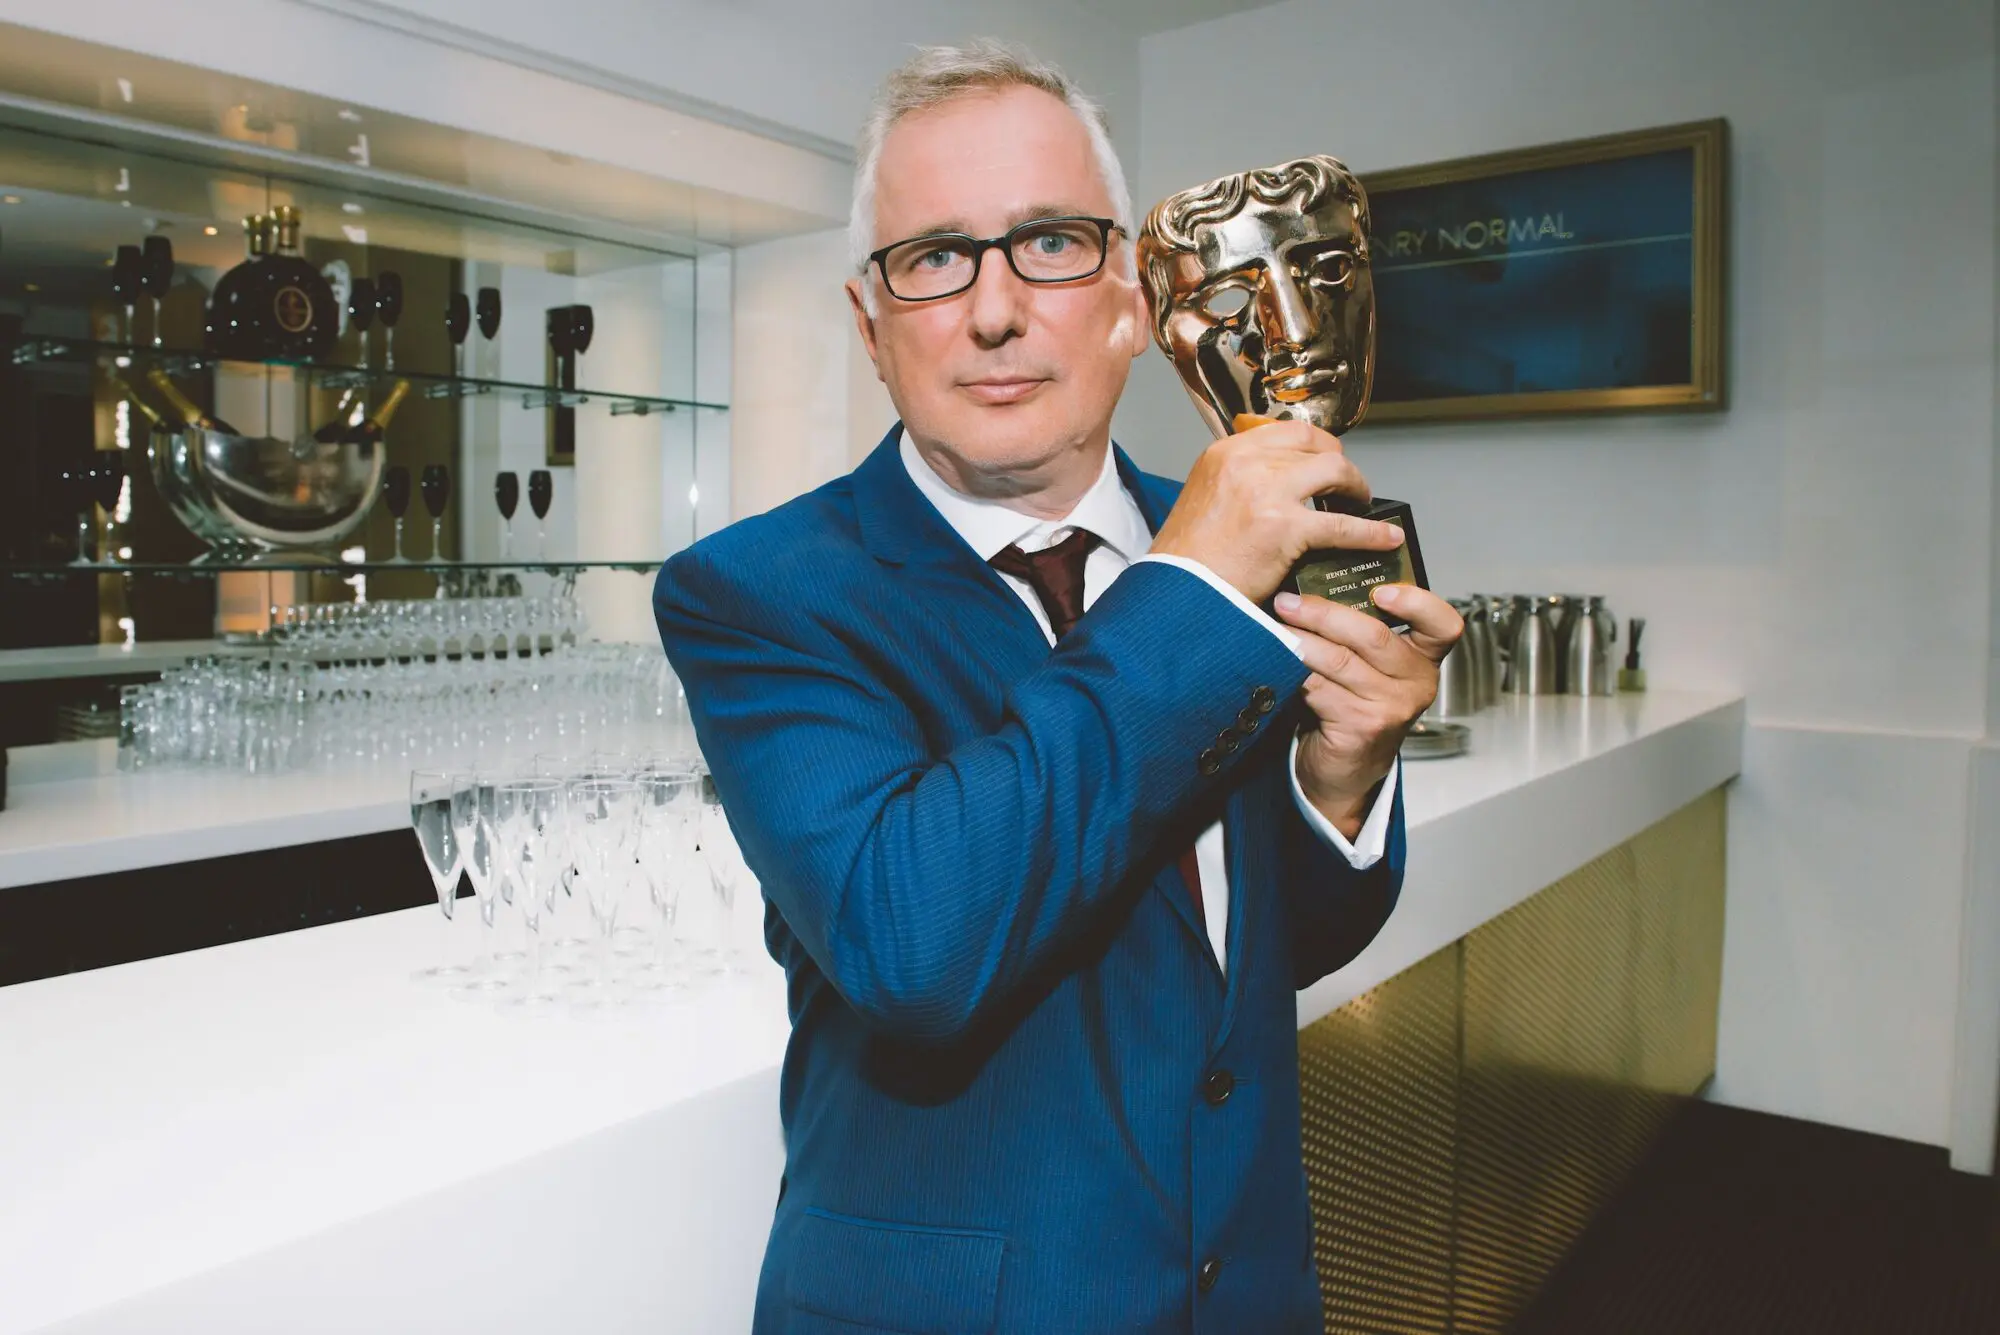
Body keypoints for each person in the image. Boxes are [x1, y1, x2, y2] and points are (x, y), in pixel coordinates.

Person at [654, 39, 1462, 1335]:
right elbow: (917, 944)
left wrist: (1341, 781)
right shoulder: (758, 593)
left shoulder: (1244, 553)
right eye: (933, 258)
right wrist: (1192, 587)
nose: (993, 308)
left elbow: (1249, 961)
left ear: (1134, 300)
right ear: (872, 326)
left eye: (1049, 244)